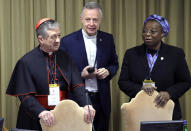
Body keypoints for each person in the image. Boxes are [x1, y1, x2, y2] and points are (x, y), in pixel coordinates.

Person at [6, 18, 95, 130]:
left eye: (59, 35)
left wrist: (87, 104)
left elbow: (77, 86)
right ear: (41, 39)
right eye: (53, 37)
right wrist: (40, 112)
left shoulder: (66, 57)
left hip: (63, 116)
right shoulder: (26, 61)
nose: (58, 40)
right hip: (35, 117)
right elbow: (25, 95)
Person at [118, 14, 191, 120]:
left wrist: (169, 93)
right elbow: (123, 82)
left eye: (152, 32)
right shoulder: (131, 54)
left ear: (163, 33)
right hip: (139, 112)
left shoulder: (175, 54)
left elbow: (185, 81)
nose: (147, 34)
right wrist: (140, 90)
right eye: (144, 31)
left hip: (166, 111)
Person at [60, 2, 119, 131]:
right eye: (88, 19)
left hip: (101, 100)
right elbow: (61, 73)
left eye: (95, 20)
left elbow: (114, 64)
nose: (91, 24)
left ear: (100, 20)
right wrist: (80, 75)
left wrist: (108, 71)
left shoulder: (108, 39)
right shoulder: (67, 41)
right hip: (78, 100)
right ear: (81, 19)